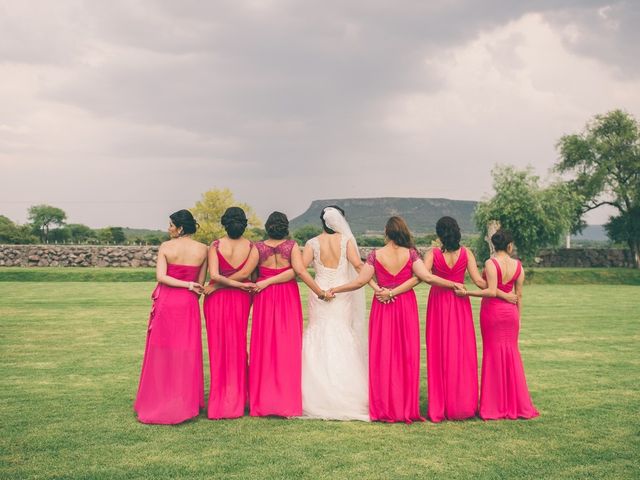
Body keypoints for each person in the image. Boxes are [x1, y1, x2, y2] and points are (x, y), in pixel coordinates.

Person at [331, 216, 461, 423]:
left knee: (382, 355)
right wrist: (452, 284)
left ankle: (385, 406)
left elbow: (360, 281)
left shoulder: (375, 255)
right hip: (405, 307)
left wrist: (335, 289)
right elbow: (425, 277)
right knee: (406, 354)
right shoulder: (411, 254)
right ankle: (405, 408)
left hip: (383, 308)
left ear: (387, 233)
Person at [292, 206, 370, 421]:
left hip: (319, 291)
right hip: (342, 292)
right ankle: (347, 391)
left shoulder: (312, 243)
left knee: (319, 331)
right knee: (341, 332)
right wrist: (373, 280)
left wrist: (317, 289)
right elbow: (357, 264)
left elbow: (300, 267)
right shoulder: (347, 242)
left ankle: (315, 393)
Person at [134, 209, 207, 424]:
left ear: (180, 227)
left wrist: (185, 284)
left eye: (171, 225)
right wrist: (190, 286)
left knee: (162, 350)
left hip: (168, 301)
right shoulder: (203, 249)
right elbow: (200, 283)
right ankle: (183, 400)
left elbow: (161, 277)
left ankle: (160, 397)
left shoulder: (166, 247)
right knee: (185, 350)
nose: (169, 229)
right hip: (189, 303)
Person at [457, 230, 539, 420]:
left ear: (494, 246)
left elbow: (491, 291)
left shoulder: (491, 263)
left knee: (492, 355)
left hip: (493, 313)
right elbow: (519, 295)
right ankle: (515, 403)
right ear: (510, 246)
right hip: (511, 314)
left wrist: (466, 293)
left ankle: (494, 406)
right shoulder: (518, 265)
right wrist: (518, 317)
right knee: (512, 355)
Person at [203, 207, 257, 419]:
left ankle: (220, 401)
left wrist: (217, 287)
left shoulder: (215, 245)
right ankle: (238, 398)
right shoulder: (252, 247)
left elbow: (214, 275)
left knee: (218, 347)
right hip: (241, 297)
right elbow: (245, 275)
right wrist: (239, 285)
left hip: (216, 298)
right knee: (237, 345)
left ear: (224, 223)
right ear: (244, 223)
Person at [249, 212, 304, 417]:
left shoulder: (258, 247)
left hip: (264, 294)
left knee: (264, 344)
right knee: (287, 343)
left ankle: (264, 398)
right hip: (287, 294)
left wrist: (264, 281)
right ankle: (285, 399)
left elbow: (252, 273)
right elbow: (296, 271)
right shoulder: (292, 246)